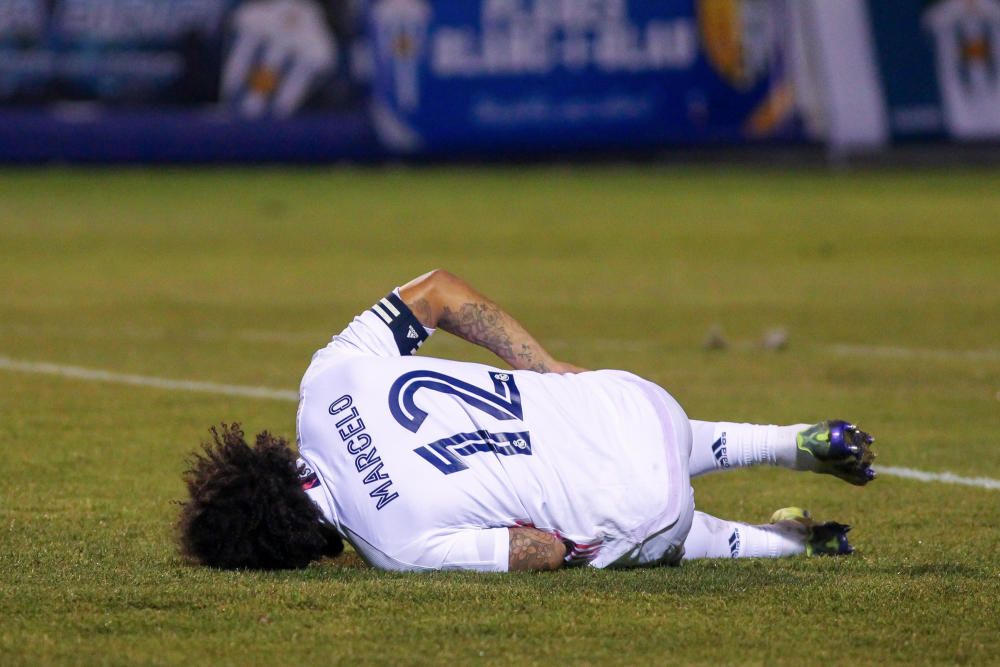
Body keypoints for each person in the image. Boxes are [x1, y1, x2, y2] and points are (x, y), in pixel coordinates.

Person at [177, 270, 876, 572]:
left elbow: (534, 554)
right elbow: (439, 293)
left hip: (643, 505)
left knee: (638, 525)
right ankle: (793, 441)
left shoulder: (392, 547)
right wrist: (539, 366)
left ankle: (788, 544)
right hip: (626, 400)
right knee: (648, 428)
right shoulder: (324, 383)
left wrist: (574, 549)